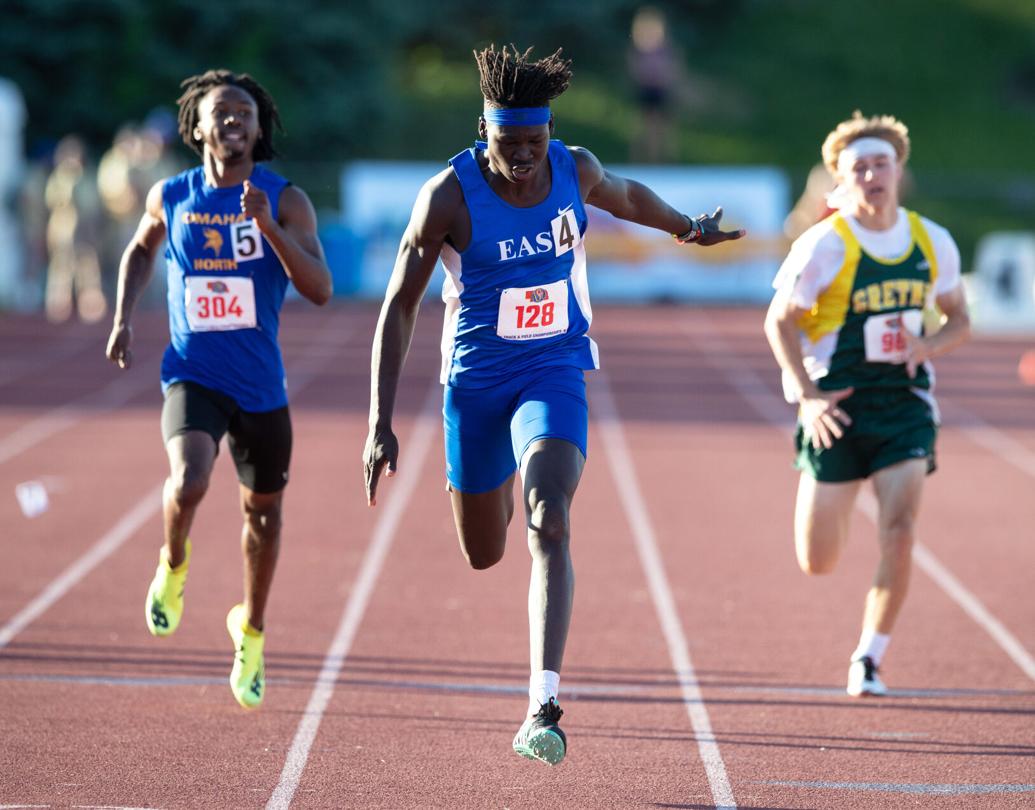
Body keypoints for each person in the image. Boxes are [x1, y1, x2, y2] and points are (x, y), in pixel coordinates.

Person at [363, 44, 743, 764]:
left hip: (554, 367)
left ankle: (541, 702)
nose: (523, 159)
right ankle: (493, 476)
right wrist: (379, 421)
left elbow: (629, 198)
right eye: (508, 145)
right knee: (484, 551)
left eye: (534, 144)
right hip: (474, 383)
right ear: (485, 131)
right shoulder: (446, 195)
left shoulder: (575, 167)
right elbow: (398, 308)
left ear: (550, 133)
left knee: (551, 517)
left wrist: (688, 227)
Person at [105, 69, 332, 709]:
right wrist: (124, 316)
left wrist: (272, 231)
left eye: (244, 113)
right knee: (190, 478)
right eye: (221, 112)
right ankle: (173, 567)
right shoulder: (171, 195)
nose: (233, 120)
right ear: (197, 128)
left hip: (260, 385)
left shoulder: (285, 200)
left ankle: (251, 632)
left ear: (260, 130)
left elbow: (320, 289)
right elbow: (141, 251)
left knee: (264, 517)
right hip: (193, 370)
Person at [763, 112, 970, 697]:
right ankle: (827, 483)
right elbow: (779, 320)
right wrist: (804, 394)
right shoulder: (825, 244)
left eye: (882, 163)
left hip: (904, 405)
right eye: (860, 166)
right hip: (838, 407)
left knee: (900, 531)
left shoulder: (933, 241)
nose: (873, 174)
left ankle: (869, 657)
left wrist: (928, 344)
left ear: (899, 170)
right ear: (840, 180)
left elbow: (961, 318)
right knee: (818, 560)